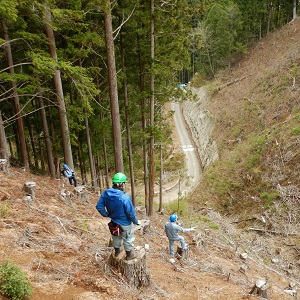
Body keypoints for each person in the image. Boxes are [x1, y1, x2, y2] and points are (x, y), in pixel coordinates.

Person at [96, 172, 140, 260]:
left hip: (113, 221)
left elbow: (99, 206)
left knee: (116, 236)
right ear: (122, 184)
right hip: (125, 222)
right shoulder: (125, 197)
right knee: (128, 238)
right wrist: (136, 221)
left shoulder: (106, 193)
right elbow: (131, 213)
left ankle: (117, 252)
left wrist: (106, 214)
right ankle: (129, 255)